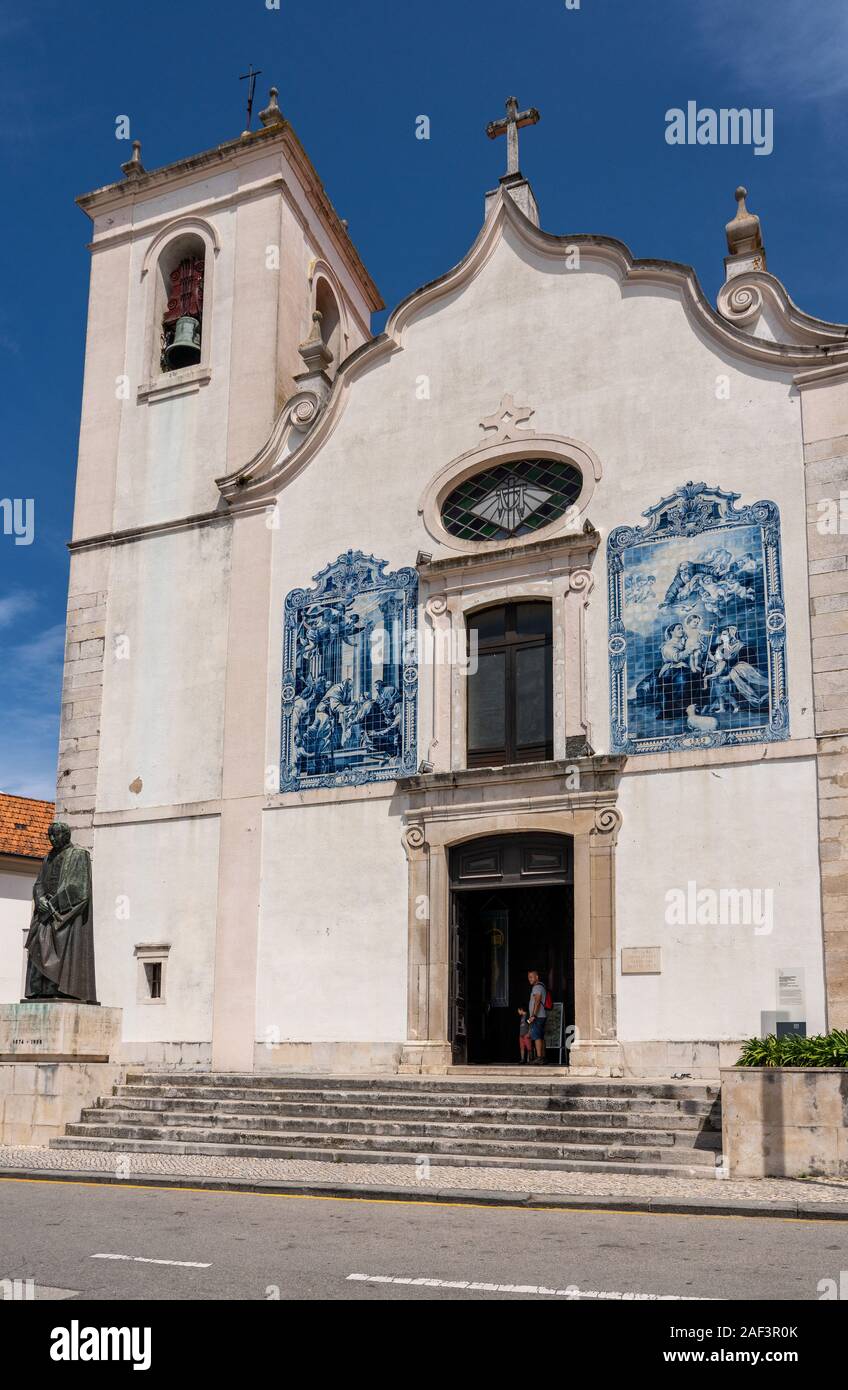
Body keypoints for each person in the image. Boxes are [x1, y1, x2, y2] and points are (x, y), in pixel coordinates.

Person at [526, 969, 547, 1064]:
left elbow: (537, 1001)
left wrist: (533, 1015)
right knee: (541, 1037)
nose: (529, 979)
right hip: (541, 1016)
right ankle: (542, 1057)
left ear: (537, 977)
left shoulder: (537, 987)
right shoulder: (540, 986)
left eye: (531, 977)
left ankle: (539, 1057)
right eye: (528, 977)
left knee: (537, 1036)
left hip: (538, 1016)